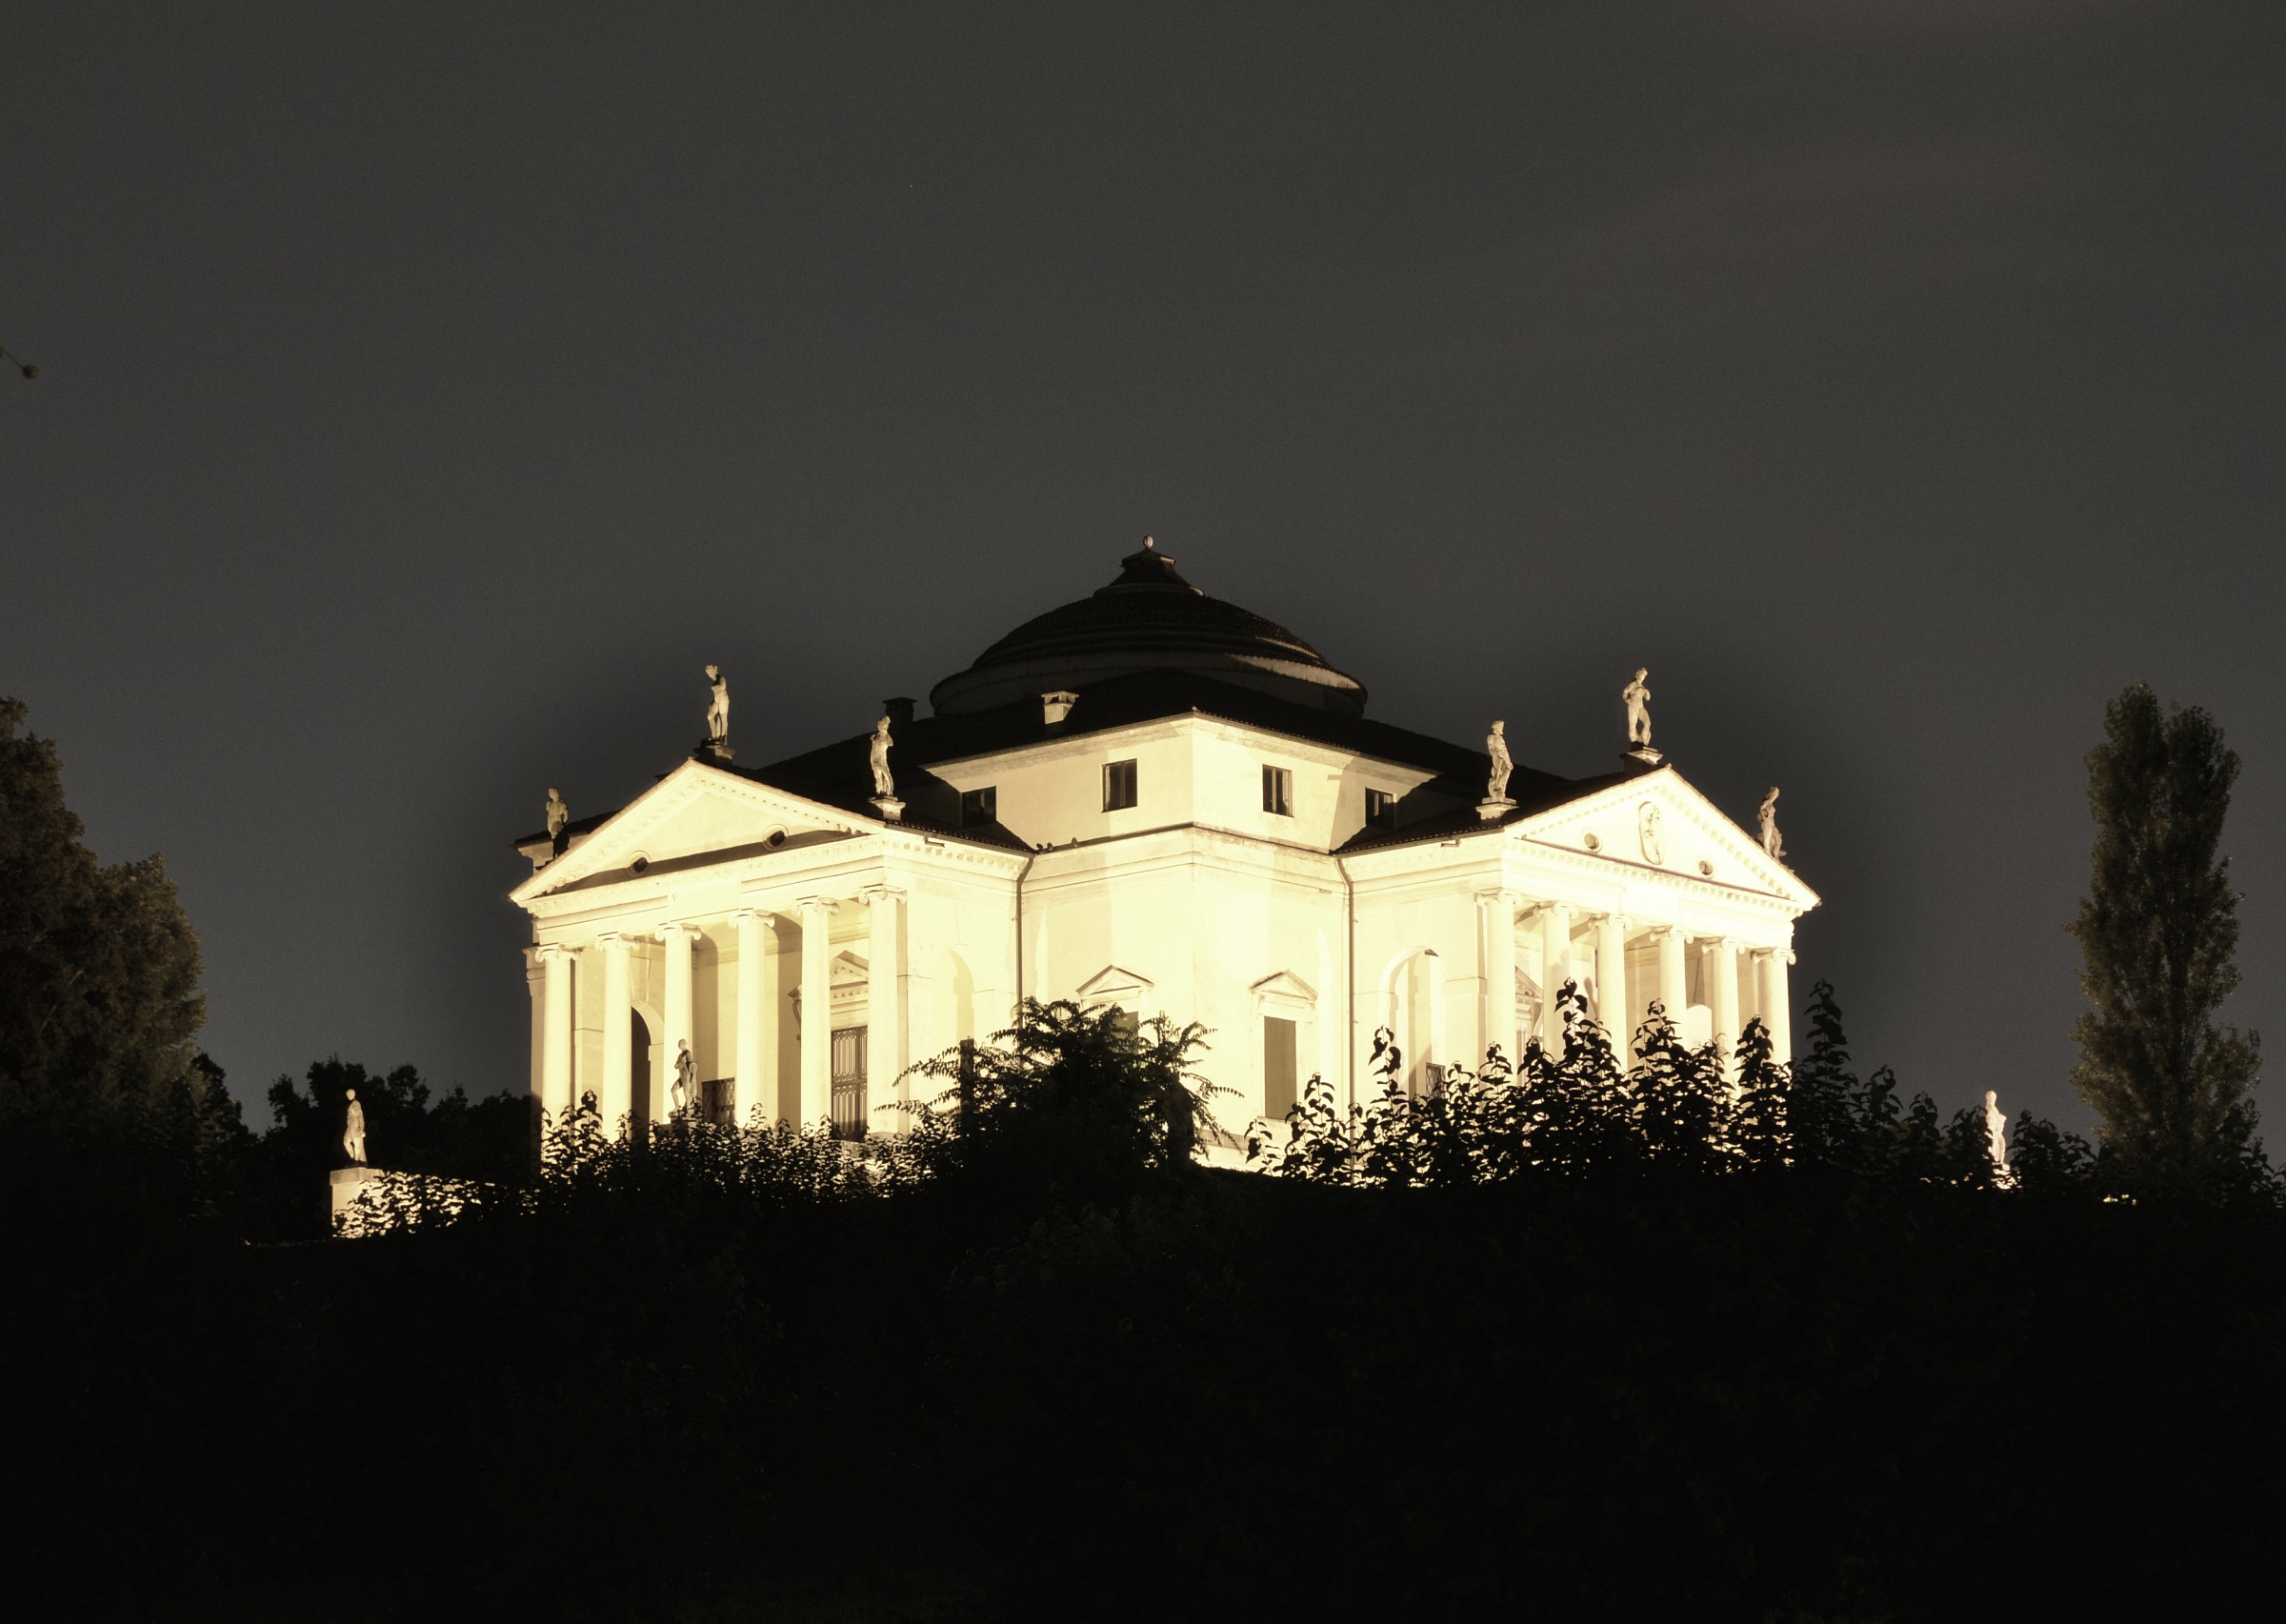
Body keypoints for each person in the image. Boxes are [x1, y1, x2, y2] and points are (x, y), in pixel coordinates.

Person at [1623, 668, 1653, 748]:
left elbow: (1648, 698)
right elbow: (1625, 692)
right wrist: (1626, 699)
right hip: (1633, 706)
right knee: (1633, 725)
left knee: (1647, 723)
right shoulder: (1633, 684)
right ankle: (1634, 742)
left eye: (1644, 675)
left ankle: (1644, 741)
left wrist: (1647, 692)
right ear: (1637, 675)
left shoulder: (1643, 687)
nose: (1642, 677)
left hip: (1641, 706)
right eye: (1641, 674)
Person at [1485, 720, 1514, 802]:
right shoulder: (1491, 737)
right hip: (1497, 758)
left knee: (1507, 771)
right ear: (1496, 727)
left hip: (1504, 758)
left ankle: (1501, 788)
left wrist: (1509, 762)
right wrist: (1496, 755)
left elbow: (1505, 750)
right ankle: (1496, 789)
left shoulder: (1501, 738)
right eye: (1501, 726)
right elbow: (1491, 749)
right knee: (1499, 772)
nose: (1502, 728)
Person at [870, 715, 894, 798]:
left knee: (885, 775)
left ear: (885, 726)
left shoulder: (887, 737)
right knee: (877, 777)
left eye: (881, 724)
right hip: (874, 758)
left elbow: (891, 743)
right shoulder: (874, 736)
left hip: (882, 759)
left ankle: (886, 791)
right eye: (878, 725)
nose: (879, 726)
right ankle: (879, 792)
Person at [342, 1088, 367, 1165]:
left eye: (349, 1094)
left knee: (357, 1143)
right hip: (349, 1126)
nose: (348, 1096)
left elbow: (360, 1116)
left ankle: (356, 1161)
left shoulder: (356, 1103)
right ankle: (353, 1157)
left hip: (355, 1124)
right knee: (346, 1141)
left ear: (354, 1094)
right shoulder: (351, 1105)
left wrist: (361, 1128)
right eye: (347, 1095)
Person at [1757, 786, 1783, 861]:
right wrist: (1763, 816)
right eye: (1774, 795)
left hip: (1772, 823)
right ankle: (1767, 851)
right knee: (1767, 838)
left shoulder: (1771, 804)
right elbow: (1761, 808)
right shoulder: (1767, 802)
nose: (1775, 797)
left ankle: (1776, 855)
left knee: (1778, 840)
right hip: (1767, 821)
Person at [672, 1039, 696, 1115]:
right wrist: (681, 1063)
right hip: (681, 1076)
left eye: (680, 1045)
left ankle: (689, 1108)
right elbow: (675, 1066)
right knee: (673, 1090)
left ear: (683, 1044)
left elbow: (691, 1065)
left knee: (686, 1092)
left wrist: (692, 1077)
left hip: (687, 1076)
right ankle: (677, 1106)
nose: (679, 1046)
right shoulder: (680, 1055)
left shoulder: (688, 1053)